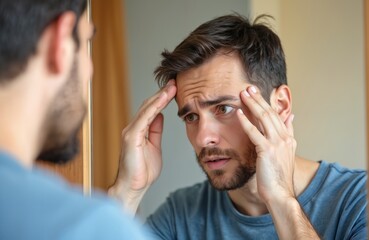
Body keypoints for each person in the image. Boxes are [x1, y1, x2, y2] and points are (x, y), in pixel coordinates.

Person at [109, 14, 367, 239]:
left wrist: (280, 199)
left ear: (280, 104)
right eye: (190, 117)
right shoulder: (181, 216)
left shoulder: (357, 201)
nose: (202, 138)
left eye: (224, 109)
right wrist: (127, 191)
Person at [0, 0, 149, 239]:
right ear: (60, 44)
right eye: (87, 41)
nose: (89, 70)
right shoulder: (89, 227)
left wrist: (126, 191)